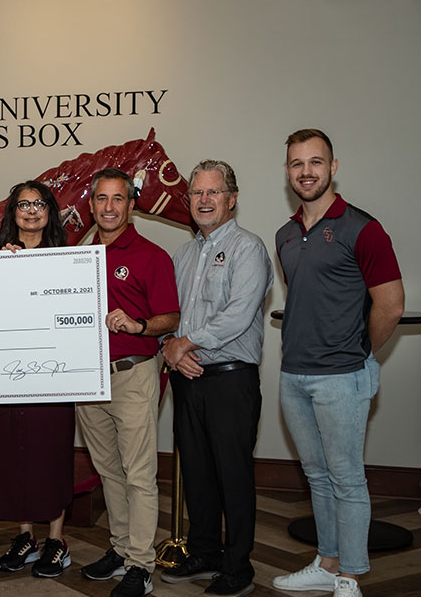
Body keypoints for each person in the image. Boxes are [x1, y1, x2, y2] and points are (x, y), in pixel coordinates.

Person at [272, 129, 403, 597]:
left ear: (333, 167)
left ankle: (351, 576)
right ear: (287, 171)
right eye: (296, 163)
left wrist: (359, 353)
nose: (306, 171)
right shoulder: (285, 235)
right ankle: (327, 562)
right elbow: (304, 297)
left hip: (343, 376)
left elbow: (389, 305)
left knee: (347, 478)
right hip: (294, 375)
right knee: (317, 475)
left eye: (315, 162)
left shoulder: (363, 229)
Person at [160, 161, 272, 597]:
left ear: (232, 197)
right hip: (188, 379)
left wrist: (183, 343)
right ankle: (204, 552)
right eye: (196, 193)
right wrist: (173, 343)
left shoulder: (249, 249)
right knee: (198, 473)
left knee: (233, 475)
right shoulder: (183, 254)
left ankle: (237, 565)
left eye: (213, 192)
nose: (204, 200)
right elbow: (171, 314)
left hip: (230, 379)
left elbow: (238, 317)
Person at [76, 168, 179, 597]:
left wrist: (138, 326)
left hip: (133, 374)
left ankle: (141, 563)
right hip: (86, 377)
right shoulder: (74, 256)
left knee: (139, 474)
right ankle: (120, 550)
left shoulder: (152, 255)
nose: (109, 207)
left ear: (131, 204)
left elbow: (170, 317)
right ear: (92, 205)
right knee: (108, 471)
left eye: (118, 199)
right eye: (101, 199)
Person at [0, 180, 74, 579]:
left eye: (39, 204)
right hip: (6, 378)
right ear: (12, 212)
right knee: (12, 454)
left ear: (50, 211)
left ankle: (56, 539)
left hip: (54, 377)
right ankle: (25, 537)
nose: (31, 211)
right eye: (23, 204)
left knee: (50, 454)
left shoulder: (69, 260)